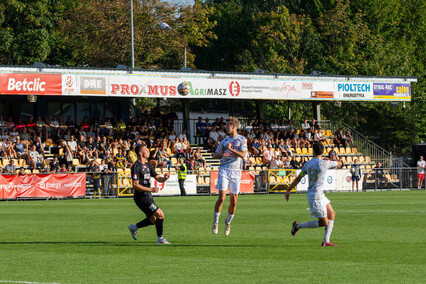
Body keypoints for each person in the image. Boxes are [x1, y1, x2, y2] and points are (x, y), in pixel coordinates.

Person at [285, 142, 343, 246]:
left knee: (332, 214)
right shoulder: (325, 163)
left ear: (313, 151)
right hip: (315, 196)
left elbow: (299, 178)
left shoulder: (308, 164)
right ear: (323, 151)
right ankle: (297, 226)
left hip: (319, 194)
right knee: (324, 222)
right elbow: (340, 163)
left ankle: (326, 241)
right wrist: (329, 159)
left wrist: (289, 189)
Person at [128, 144, 171, 244]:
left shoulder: (148, 166)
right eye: (145, 150)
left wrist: (165, 177)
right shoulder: (136, 166)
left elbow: (158, 178)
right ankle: (160, 239)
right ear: (140, 153)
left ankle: (134, 227)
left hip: (148, 196)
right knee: (160, 214)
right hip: (141, 197)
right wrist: (150, 189)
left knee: (153, 220)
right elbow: (135, 185)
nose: (148, 151)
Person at [211, 117, 248, 236]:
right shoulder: (224, 141)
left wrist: (232, 150)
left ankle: (227, 222)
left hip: (236, 171)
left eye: (228, 126)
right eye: (225, 126)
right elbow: (214, 155)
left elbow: (243, 155)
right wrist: (222, 153)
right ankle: (215, 222)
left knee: (234, 201)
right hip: (224, 170)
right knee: (221, 198)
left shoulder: (242, 139)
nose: (226, 128)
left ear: (234, 127)